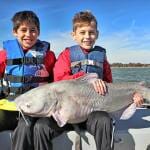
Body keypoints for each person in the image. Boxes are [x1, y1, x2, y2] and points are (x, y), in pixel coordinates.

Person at [32, 11, 143, 150]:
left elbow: (112, 86)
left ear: (97, 34)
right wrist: (86, 80)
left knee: (104, 120)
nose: (87, 37)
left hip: (91, 113)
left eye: (91, 32)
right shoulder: (66, 55)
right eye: (82, 32)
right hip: (63, 113)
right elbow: (59, 80)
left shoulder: (102, 57)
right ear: (74, 35)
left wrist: (133, 96)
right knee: (41, 126)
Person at [0, 10, 56, 149]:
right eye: (23, 30)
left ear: (38, 32)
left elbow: (57, 82)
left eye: (33, 30)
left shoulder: (48, 56)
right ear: (15, 32)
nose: (28, 34)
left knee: (25, 127)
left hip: (35, 108)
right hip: (9, 105)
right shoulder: (5, 54)